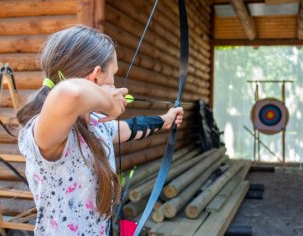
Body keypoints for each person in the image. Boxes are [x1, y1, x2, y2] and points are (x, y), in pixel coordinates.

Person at [16, 25, 184, 235]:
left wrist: (165, 119)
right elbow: (70, 94)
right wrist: (107, 101)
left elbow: (129, 129)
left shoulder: (95, 124)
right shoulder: (49, 133)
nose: (115, 83)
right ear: (96, 76)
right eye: (113, 74)